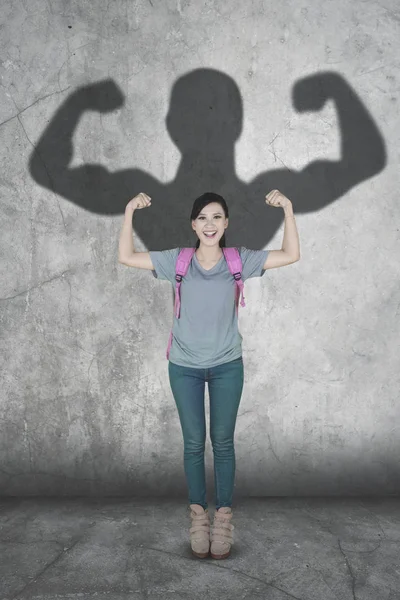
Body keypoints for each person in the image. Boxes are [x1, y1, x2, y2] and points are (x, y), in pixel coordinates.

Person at [118, 190, 300, 560]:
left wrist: (288, 210)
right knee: (193, 443)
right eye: (202, 217)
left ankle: (224, 519)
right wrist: (128, 212)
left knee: (222, 442)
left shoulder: (239, 260)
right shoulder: (177, 261)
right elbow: (125, 256)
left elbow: (291, 254)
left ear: (226, 223)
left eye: (216, 217)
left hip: (226, 366)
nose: (210, 224)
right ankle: (198, 517)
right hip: (183, 366)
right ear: (193, 224)